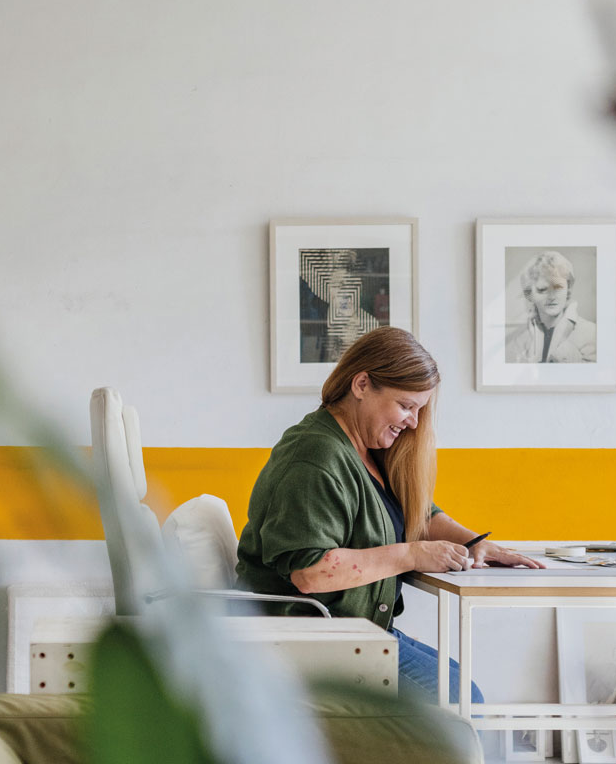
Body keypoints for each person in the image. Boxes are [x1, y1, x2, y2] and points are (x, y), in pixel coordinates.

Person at [236, 327, 542, 705]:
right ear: (362, 384)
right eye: (406, 406)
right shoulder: (315, 457)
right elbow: (311, 572)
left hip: (352, 632)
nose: (413, 422)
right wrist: (411, 555)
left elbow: (418, 513)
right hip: (310, 640)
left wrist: (475, 543)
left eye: (419, 410)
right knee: (461, 700)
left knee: (459, 686)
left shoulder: (364, 451)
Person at [505, 250, 597, 364]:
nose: (552, 297)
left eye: (558, 287)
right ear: (530, 294)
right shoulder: (520, 340)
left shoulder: (591, 333)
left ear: (568, 289)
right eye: (542, 289)